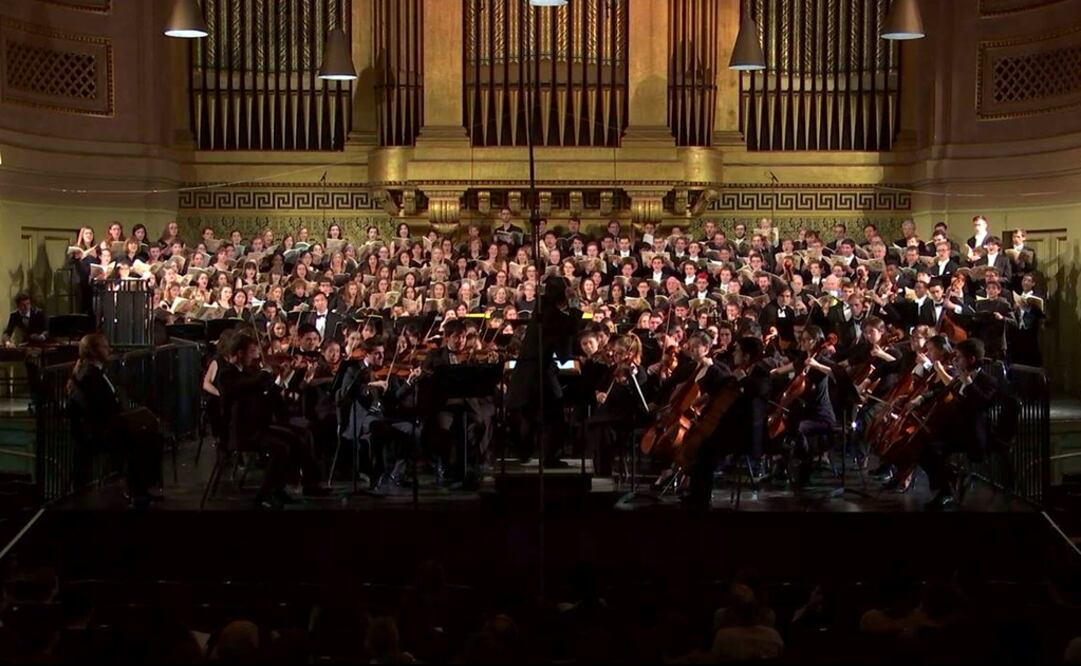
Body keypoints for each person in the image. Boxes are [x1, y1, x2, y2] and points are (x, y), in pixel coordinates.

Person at [66, 333, 163, 507]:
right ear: (93, 351)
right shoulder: (89, 375)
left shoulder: (93, 371)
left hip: (107, 425)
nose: (109, 349)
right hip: (99, 431)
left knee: (148, 433)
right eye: (104, 346)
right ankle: (139, 491)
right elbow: (101, 409)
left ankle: (140, 489)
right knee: (144, 439)